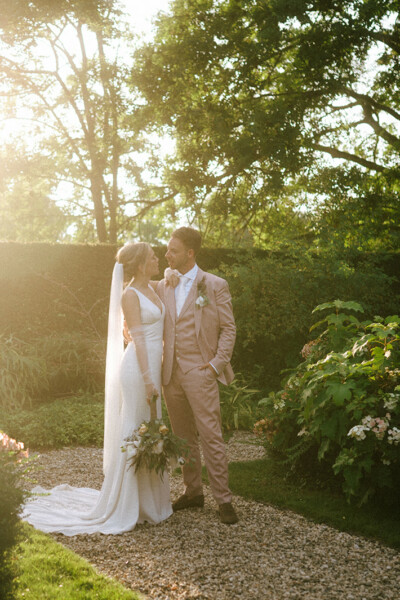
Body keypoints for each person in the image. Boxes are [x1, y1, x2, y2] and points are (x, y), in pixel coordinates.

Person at [21, 242, 172, 535]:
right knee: (135, 429)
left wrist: (170, 275)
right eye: (152, 257)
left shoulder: (153, 288)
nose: (157, 259)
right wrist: (148, 379)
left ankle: (150, 503)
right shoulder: (129, 295)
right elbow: (138, 339)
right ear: (140, 264)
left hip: (152, 367)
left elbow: (167, 280)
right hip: (138, 370)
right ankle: (126, 503)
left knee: (153, 428)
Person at [155, 227, 238, 525]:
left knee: (210, 435)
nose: (167, 255)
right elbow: (135, 291)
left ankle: (224, 499)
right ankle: (193, 492)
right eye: (167, 250)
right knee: (182, 438)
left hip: (201, 371)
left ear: (190, 253)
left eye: (172, 250)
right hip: (171, 374)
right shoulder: (163, 285)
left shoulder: (214, 285)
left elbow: (228, 328)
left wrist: (217, 364)